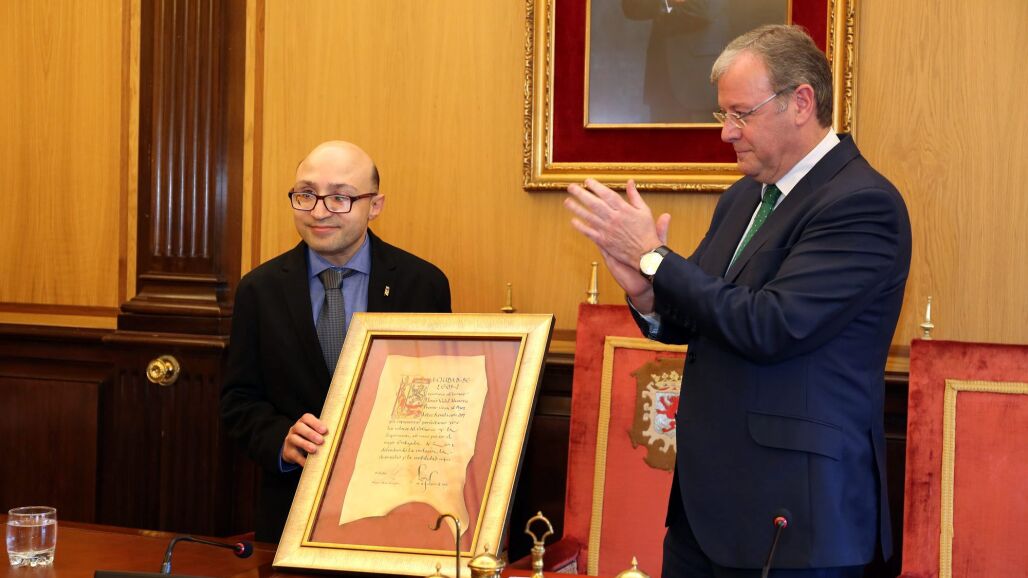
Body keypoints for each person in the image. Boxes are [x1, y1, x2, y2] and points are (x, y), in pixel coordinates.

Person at [564, 25, 910, 577]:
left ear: (801, 102)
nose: (726, 132)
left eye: (741, 114)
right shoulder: (743, 197)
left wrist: (655, 258)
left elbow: (771, 326)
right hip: (705, 515)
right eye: (723, 114)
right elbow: (701, 313)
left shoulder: (862, 203)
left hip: (795, 522)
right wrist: (646, 289)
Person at [221, 140, 451, 542]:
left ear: (375, 205)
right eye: (306, 194)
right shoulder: (260, 290)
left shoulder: (422, 285)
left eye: (340, 198)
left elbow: (441, 402)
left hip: (399, 510)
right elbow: (238, 401)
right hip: (293, 508)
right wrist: (280, 439)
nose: (319, 211)